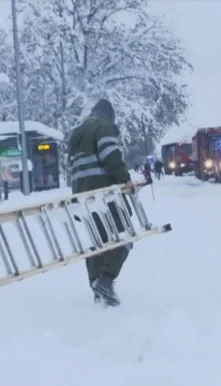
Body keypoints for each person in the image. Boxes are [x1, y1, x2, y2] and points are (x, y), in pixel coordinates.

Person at [68, 98, 134, 307]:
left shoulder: (77, 133)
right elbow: (111, 156)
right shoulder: (103, 127)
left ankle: (97, 286)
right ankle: (105, 281)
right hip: (103, 194)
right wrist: (125, 178)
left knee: (99, 242)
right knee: (123, 235)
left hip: (82, 196)